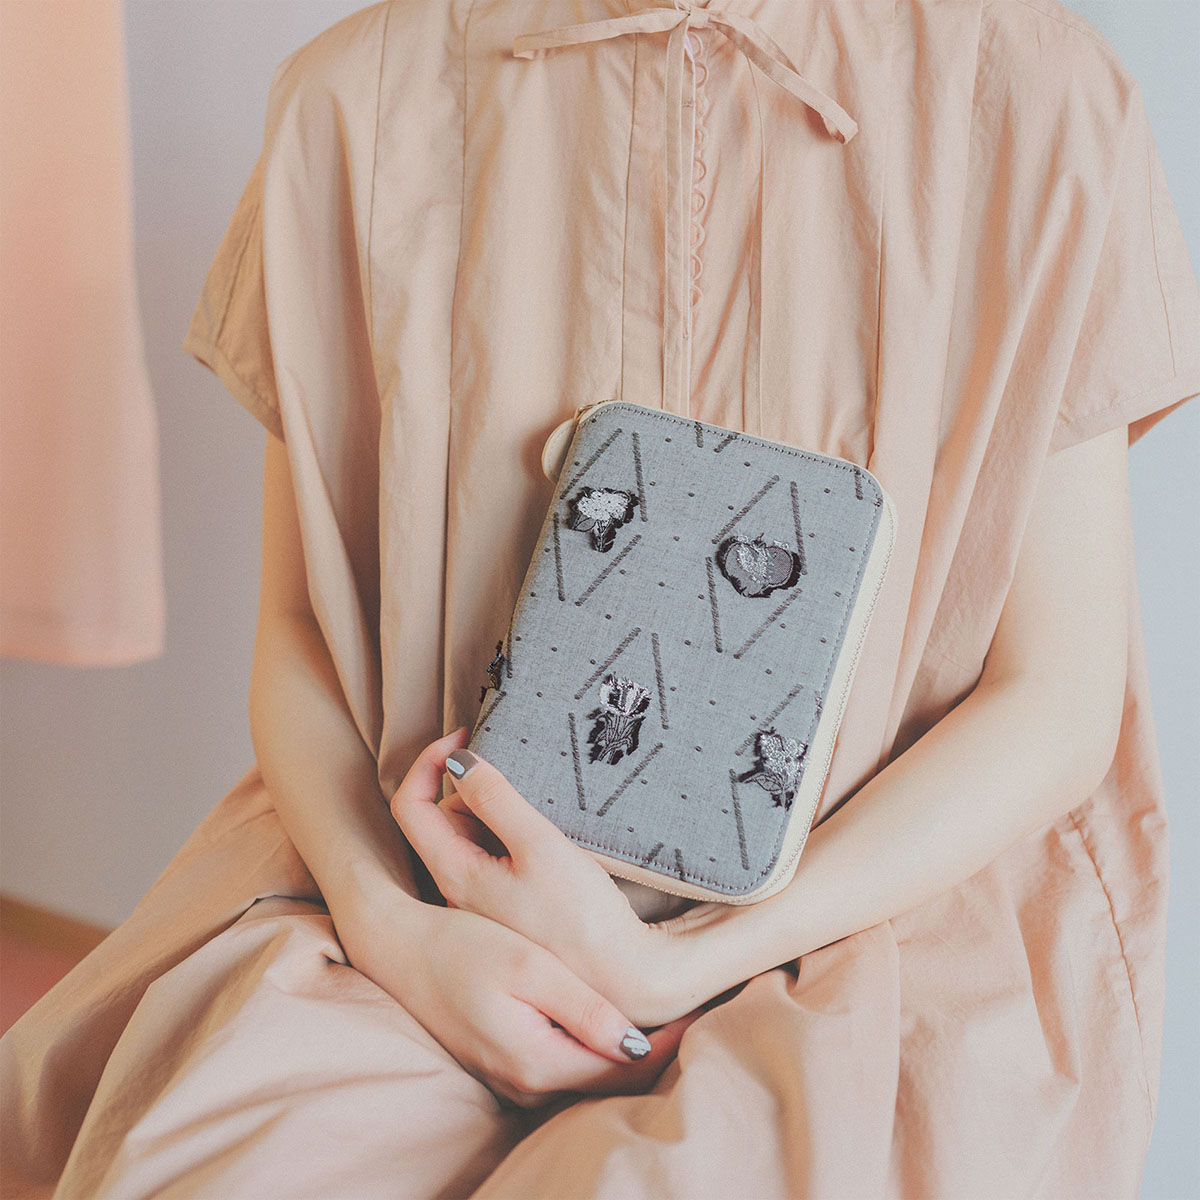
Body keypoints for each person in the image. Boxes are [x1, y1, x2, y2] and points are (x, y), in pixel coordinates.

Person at [3, 1, 1198, 1195]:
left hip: (871, 930)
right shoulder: (353, 96)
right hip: (408, 902)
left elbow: (1056, 698)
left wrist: (686, 962)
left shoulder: (1039, 100)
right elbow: (300, 627)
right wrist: (396, 929)